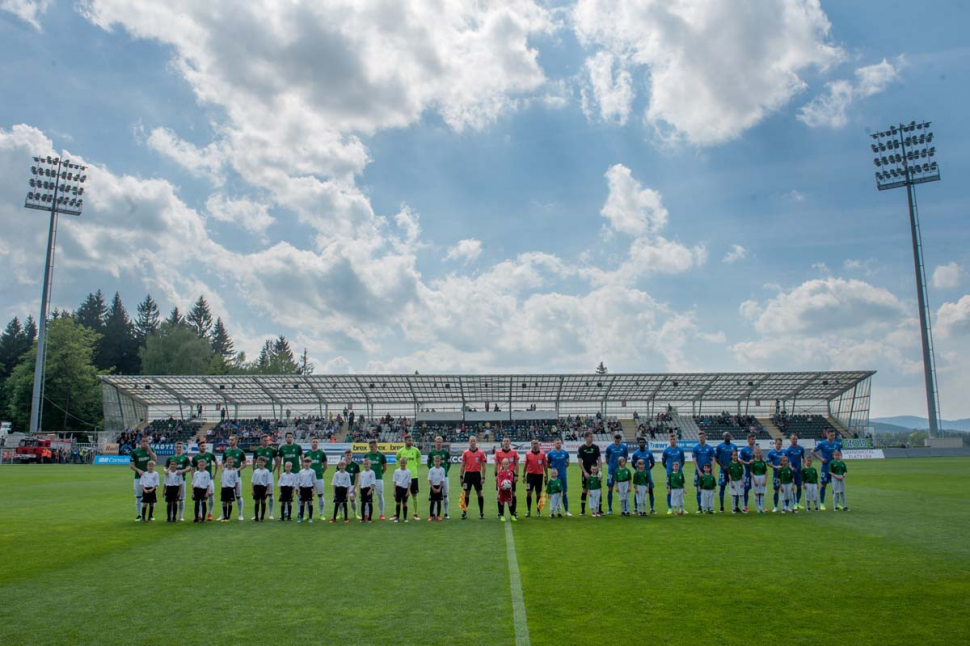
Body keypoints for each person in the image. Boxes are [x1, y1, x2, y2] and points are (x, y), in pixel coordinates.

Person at [811, 429, 843, 511]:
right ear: (827, 435)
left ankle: (837, 503)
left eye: (834, 435)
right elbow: (812, 451)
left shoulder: (837, 444)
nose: (833, 437)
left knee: (835, 487)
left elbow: (839, 454)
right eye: (831, 435)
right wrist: (821, 458)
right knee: (823, 485)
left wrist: (839, 461)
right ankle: (822, 503)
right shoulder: (822, 443)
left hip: (835, 469)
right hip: (825, 468)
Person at [129, 436, 157, 521]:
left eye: (146, 441)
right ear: (140, 442)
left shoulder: (151, 449)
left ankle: (151, 515)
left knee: (151, 496)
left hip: (150, 477)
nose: (145, 443)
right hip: (139, 477)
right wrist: (138, 470)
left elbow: (155, 459)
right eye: (143, 441)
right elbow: (131, 465)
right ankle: (139, 514)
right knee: (138, 496)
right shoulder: (135, 452)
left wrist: (148, 449)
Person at [460, 436, 487, 520]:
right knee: (466, 493)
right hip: (467, 475)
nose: (472, 442)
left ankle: (481, 513)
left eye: (474, 441)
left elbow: (483, 466)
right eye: (471, 441)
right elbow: (462, 465)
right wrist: (461, 476)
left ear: (476, 442)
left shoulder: (481, 453)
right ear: (469, 442)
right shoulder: (465, 452)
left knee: (479, 493)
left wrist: (483, 477)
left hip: (477, 475)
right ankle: (464, 512)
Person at [252, 434, 278, 520]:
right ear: (261, 440)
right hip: (259, 474)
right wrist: (254, 471)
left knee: (270, 494)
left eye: (267, 440)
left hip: (268, 473)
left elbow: (277, 461)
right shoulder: (257, 450)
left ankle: (270, 513)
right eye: (264, 440)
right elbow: (254, 461)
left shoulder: (272, 450)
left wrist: (273, 471)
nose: (265, 441)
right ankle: (257, 514)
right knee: (258, 496)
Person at [222, 435, 247, 521]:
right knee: (225, 497)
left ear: (236, 441)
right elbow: (222, 463)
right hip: (227, 478)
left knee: (238, 496)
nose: (230, 441)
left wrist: (237, 470)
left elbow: (244, 464)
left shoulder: (240, 452)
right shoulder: (226, 451)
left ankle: (240, 514)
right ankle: (223, 515)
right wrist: (223, 468)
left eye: (232, 440)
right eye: (229, 440)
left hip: (237, 478)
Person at [192, 440, 219, 522]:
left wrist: (215, 473)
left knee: (210, 495)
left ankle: (210, 513)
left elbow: (216, 462)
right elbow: (192, 467)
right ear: (198, 447)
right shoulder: (195, 457)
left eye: (204, 446)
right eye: (202, 446)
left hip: (209, 479)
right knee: (199, 497)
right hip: (199, 480)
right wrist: (194, 477)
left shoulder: (210, 455)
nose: (203, 447)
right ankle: (199, 515)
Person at [396, 435, 421, 521]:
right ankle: (397, 514)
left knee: (414, 495)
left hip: (413, 476)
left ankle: (415, 513)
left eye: (411, 440)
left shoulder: (416, 450)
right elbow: (397, 459)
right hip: (403, 477)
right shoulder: (400, 451)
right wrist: (400, 470)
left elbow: (418, 460)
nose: (410, 442)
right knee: (399, 496)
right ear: (405, 441)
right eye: (409, 440)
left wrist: (414, 468)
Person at [426, 437, 452, 519]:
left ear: (442, 443)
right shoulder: (431, 453)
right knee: (434, 496)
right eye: (437, 442)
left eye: (440, 442)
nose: (438, 443)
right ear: (435, 443)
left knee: (445, 496)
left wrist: (445, 472)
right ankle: (433, 514)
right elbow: (428, 463)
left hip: (445, 478)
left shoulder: (445, 453)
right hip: (434, 479)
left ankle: (446, 513)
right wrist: (433, 472)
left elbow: (449, 463)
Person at [494, 437, 520, 519]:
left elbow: (517, 464)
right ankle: (500, 513)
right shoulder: (498, 452)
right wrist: (495, 475)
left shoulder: (514, 452)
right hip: (501, 475)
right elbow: (495, 464)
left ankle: (513, 512)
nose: (506, 442)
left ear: (510, 442)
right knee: (499, 494)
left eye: (507, 441)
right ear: (502, 442)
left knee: (513, 494)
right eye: (504, 441)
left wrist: (516, 475)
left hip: (510, 474)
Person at [577, 431, 602, 516]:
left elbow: (599, 459)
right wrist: (584, 472)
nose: (592, 438)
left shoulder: (596, 447)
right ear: (586, 438)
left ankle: (599, 510)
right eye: (590, 437)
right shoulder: (581, 448)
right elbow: (580, 462)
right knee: (585, 490)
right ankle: (583, 510)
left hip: (595, 472)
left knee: (598, 490)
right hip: (586, 472)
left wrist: (600, 471)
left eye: (592, 437)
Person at [363, 440, 389, 520]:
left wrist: (379, 474)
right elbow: (365, 466)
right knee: (368, 496)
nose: (371, 448)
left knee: (380, 496)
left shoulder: (381, 455)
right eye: (370, 447)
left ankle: (381, 514)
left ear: (376, 446)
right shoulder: (367, 455)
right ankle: (366, 514)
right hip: (369, 480)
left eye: (372, 446)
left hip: (378, 479)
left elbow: (385, 468)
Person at [166, 441, 191, 521]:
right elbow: (165, 467)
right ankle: (172, 516)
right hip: (171, 482)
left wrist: (182, 471)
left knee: (181, 499)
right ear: (174, 448)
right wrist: (165, 470)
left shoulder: (185, 458)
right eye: (177, 447)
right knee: (172, 500)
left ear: (182, 448)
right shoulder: (170, 458)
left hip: (181, 481)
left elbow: (189, 468)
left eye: (180, 447)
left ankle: (180, 516)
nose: (178, 448)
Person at [661, 434, 686, 515]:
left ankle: (681, 509)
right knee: (669, 491)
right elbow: (663, 462)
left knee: (680, 491)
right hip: (670, 473)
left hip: (679, 473)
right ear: (669, 440)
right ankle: (670, 508)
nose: (672, 440)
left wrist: (678, 469)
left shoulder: (680, 450)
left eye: (674, 439)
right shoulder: (666, 450)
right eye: (671, 439)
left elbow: (682, 461)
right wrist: (668, 469)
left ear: (676, 439)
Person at [691, 431, 716, 514]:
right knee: (698, 489)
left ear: (705, 437)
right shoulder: (695, 448)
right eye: (700, 438)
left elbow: (714, 459)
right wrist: (698, 471)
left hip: (708, 471)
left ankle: (709, 507)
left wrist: (713, 470)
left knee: (709, 489)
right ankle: (700, 507)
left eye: (702, 437)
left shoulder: (710, 448)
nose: (701, 439)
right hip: (699, 471)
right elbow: (694, 460)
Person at [522, 439, 548, 518]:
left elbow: (545, 465)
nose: (535, 445)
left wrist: (546, 475)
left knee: (538, 493)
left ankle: (538, 511)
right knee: (529, 493)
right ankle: (528, 511)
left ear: (538, 444)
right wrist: (523, 475)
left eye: (536, 443)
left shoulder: (542, 453)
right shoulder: (528, 453)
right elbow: (525, 465)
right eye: (533, 443)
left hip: (539, 476)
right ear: (531, 444)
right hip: (530, 476)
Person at [604, 434, 628, 515]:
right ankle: (610, 508)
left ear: (620, 440)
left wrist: (622, 468)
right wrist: (611, 466)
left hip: (620, 471)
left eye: (618, 441)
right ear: (613, 439)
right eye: (615, 440)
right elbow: (607, 459)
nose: (617, 442)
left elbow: (625, 458)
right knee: (610, 489)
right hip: (611, 471)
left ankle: (624, 508)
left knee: (623, 490)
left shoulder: (624, 447)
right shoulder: (610, 447)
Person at [547, 438, 572, 515]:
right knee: (553, 494)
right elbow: (548, 464)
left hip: (563, 475)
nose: (559, 444)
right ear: (554, 444)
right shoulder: (550, 454)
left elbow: (567, 463)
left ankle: (566, 511)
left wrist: (562, 469)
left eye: (560, 443)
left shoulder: (565, 453)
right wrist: (554, 471)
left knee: (564, 493)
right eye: (557, 443)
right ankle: (553, 511)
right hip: (554, 477)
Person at [630, 437, 655, 514]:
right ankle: (635, 509)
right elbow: (632, 464)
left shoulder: (649, 453)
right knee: (637, 491)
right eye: (640, 442)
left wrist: (647, 470)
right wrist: (637, 470)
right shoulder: (635, 453)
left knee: (650, 490)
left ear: (645, 444)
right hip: (639, 474)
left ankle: (651, 508)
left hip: (647, 474)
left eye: (643, 442)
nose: (642, 444)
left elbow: (653, 463)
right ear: (638, 444)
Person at [306, 438, 329, 519]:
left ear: (318, 444)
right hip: (308, 478)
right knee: (307, 496)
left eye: (316, 442)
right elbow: (304, 466)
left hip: (319, 477)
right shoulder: (307, 454)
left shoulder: (322, 454)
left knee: (320, 495)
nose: (315, 443)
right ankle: (307, 514)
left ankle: (321, 514)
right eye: (313, 442)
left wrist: (320, 473)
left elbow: (325, 466)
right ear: (311, 443)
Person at [714, 432, 736, 513]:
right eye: (726, 435)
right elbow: (716, 458)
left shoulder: (734, 446)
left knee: (734, 488)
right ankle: (721, 507)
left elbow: (735, 458)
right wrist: (723, 466)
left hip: (732, 471)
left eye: (729, 435)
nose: (728, 436)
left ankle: (735, 507)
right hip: (723, 470)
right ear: (723, 437)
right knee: (722, 487)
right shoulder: (720, 447)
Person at [737, 433, 757, 513]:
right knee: (746, 489)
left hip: (756, 473)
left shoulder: (756, 449)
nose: (753, 440)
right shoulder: (744, 450)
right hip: (748, 472)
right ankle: (745, 506)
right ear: (748, 440)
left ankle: (759, 506)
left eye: (754, 439)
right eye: (752, 439)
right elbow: (740, 460)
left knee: (758, 490)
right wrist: (748, 462)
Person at [785, 434, 806, 509]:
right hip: (792, 471)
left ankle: (797, 502)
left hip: (799, 471)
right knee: (792, 487)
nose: (795, 440)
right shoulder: (788, 450)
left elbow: (803, 458)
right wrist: (790, 467)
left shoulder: (801, 448)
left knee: (799, 486)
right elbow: (786, 461)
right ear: (790, 440)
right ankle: (793, 503)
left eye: (796, 439)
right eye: (793, 439)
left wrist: (803, 466)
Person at [767, 437, 786, 513]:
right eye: (778, 444)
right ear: (775, 443)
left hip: (784, 474)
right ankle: (775, 506)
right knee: (776, 490)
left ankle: (784, 506)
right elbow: (768, 463)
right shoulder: (771, 452)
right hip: (776, 474)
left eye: (780, 444)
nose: (780, 445)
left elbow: (787, 461)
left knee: (784, 490)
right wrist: (775, 467)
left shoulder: (784, 452)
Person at [250, 456, 272, 522]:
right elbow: (253, 481)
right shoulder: (255, 471)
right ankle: (256, 517)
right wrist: (252, 489)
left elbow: (268, 482)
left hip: (263, 487)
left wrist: (267, 490)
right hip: (257, 487)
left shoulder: (267, 471)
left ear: (264, 463)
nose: (260, 463)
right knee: (256, 501)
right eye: (259, 462)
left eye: (262, 462)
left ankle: (262, 516)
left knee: (263, 501)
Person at [342, 449, 361, 520]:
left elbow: (357, 478)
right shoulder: (341, 464)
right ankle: (341, 514)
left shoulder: (355, 465)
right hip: (342, 485)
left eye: (350, 455)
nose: (349, 456)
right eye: (347, 455)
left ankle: (355, 513)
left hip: (352, 485)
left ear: (351, 455)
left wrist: (354, 488)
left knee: (352, 499)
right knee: (341, 500)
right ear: (345, 456)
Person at [392, 456, 412, 523]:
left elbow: (409, 482)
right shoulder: (396, 471)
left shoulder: (408, 472)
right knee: (398, 503)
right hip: (398, 488)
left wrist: (408, 491)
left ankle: (405, 517)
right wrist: (394, 490)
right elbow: (394, 481)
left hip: (405, 489)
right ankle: (397, 517)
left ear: (406, 463)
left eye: (404, 463)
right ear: (399, 463)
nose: (402, 464)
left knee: (405, 503)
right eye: (401, 463)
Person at [296, 457, 316, 523]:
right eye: (305, 462)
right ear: (303, 463)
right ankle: (301, 517)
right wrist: (298, 490)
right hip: (302, 488)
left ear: (310, 463)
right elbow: (298, 481)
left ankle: (310, 517)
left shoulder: (312, 471)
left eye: (308, 462)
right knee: (302, 502)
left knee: (310, 502)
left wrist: (313, 490)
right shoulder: (301, 472)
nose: (306, 464)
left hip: (309, 488)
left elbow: (314, 482)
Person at [427, 454, 446, 521]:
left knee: (439, 502)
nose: (437, 462)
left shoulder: (442, 470)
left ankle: (438, 515)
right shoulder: (431, 470)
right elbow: (429, 479)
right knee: (432, 502)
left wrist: (440, 488)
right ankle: (431, 516)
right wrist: (432, 487)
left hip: (439, 487)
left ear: (440, 461)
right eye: (436, 461)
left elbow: (442, 480)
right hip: (433, 486)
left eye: (438, 461)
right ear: (433, 462)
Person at [750, 447, 768, 514]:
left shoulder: (763, 462)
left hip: (762, 477)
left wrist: (765, 480)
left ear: (761, 453)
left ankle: (762, 508)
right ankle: (757, 508)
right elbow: (751, 472)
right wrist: (754, 480)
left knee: (762, 493)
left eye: (759, 453)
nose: (758, 454)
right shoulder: (753, 462)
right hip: (756, 477)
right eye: (756, 453)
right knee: (757, 493)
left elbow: (766, 472)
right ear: (754, 454)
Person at [359, 457, 376, 522]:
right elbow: (360, 484)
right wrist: (360, 492)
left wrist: (370, 490)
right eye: (364, 464)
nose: (366, 465)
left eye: (367, 464)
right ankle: (363, 518)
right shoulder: (362, 473)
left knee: (369, 503)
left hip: (368, 489)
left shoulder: (372, 472)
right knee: (363, 504)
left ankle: (369, 518)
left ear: (370, 464)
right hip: (363, 489)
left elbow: (373, 482)